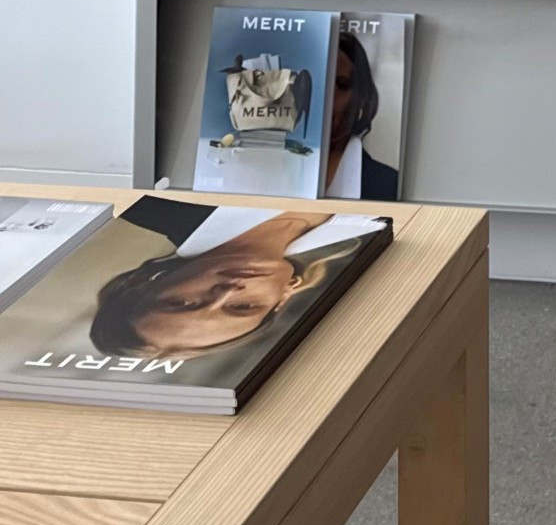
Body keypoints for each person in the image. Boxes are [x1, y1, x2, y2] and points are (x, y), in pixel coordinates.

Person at [89, 206, 386, 358]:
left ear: (141, 283)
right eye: (243, 307)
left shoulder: (149, 204)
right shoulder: (378, 227)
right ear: (282, 299)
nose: (227, 291)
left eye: (180, 302)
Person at [326, 27, 400, 200]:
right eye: (314, 82)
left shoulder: (389, 186)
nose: (324, 97)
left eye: (339, 85)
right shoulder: (270, 172)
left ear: (362, 98)